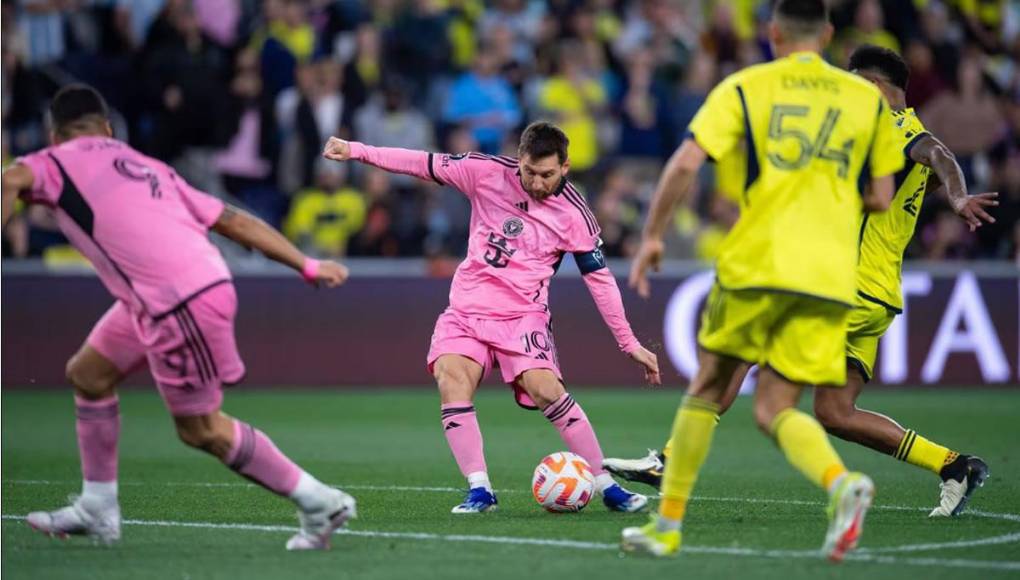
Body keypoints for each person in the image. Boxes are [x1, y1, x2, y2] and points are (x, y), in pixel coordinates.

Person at [605, 44, 998, 519]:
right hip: (878, 297)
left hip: (844, 287)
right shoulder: (888, 144)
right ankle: (954, 466)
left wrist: (956, 197)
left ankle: (668, 463)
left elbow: (937, 151)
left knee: (737, 358)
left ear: (873, 88)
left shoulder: (893, 126)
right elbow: (923, 170)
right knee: (836, 413)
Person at [0, 84, 355, 551]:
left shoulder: (52, 161)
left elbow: (10, 181)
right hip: (182, 287)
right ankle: (98, 506)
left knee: (200, 428)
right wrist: (306, 264)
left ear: (54, 132)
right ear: (107, 129)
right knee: (88, 374)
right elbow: (234, 220)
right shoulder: (149, 167)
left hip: (176, 301)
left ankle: (319, 501)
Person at [620, 0, 904, 561]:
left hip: (759, 262)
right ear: (826, 34)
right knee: (776, 406)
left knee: (706, 388)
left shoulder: (747, 86)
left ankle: (667, 528)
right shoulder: (865, 101)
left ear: (773, 31)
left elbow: (684, 162)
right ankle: (841, 484)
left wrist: (652, 235)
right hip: (828, 277)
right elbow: (880, 197)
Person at [322, 121, 661, 514]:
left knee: (547, 390)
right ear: (519, 159)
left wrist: (629, 343)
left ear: (565, 168)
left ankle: (607, 487)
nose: (536, 183)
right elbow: (421, 162)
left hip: (523, 318)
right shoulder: (485, 172)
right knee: (451, 378)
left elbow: (600, 282)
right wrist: (357, 150)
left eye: (547, 175)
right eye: (529, 172)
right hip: (466, 311)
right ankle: (480, 490)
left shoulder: (575, 214)